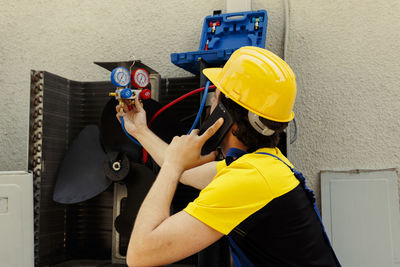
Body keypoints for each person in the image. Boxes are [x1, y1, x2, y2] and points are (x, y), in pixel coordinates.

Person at [116, 46, 341, 267]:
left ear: (225, 114)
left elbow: (141, 255)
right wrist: (140, 130)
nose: (210, 106)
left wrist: (173, 166)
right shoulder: (263, 166)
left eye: (215, 99)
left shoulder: (250, 180)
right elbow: (187, 173)